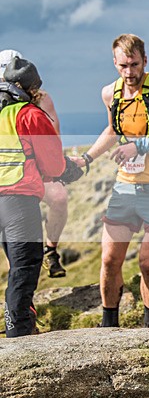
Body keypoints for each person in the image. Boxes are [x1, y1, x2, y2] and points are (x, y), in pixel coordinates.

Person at [72, 34, 149, 328]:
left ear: (145, 61)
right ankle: (109, 323)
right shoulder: (109, 93)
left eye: (135, 64)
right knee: (110, 260)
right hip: (125, 187)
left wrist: (140, 146)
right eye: (123, 65)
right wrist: (86, 160)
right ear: (114, 63)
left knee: (148, 262)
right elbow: (112, 131)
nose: (130, 72)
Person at [0, 57, 80, 337]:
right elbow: (53, 166)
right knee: (24, 269)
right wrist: (71, 168)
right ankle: (19, 336)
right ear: (33, 88)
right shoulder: (30, 115)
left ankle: (19, 329)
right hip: (19, 202)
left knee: (14, 267)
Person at [1, 50, 69, 278]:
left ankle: (51, 251)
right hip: (10, 173)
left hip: (36, 167)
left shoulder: (41, 99)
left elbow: (53, 140)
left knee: (59, 197)